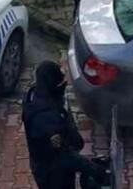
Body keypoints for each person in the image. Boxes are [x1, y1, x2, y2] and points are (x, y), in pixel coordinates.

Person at [22, 61, 109, 189]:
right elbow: (64, 157)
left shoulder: (36, 94)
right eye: (61, 84)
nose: (63, 87)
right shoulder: (47, 119)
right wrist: (93, 169)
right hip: (53, 174)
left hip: (45, 163)